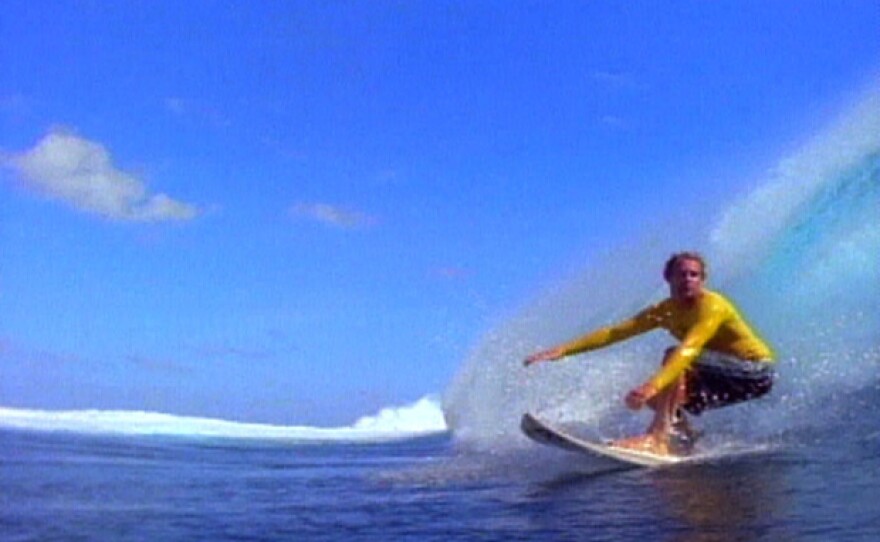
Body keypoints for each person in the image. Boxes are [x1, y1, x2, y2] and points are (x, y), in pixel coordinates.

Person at [523, 252, 776, 456]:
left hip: (754, 371)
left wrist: (651, 386)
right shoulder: (664, 311)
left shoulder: (712, 306)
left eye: (694, 275)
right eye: (682, 274)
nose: (688, 279)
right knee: (661, 400)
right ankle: (683, 436)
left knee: (671, 359)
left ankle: (658, 438)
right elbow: (615, 332)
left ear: (702, 279)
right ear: (668, 278)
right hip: (723, 376)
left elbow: (689, 350)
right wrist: (565, 350)